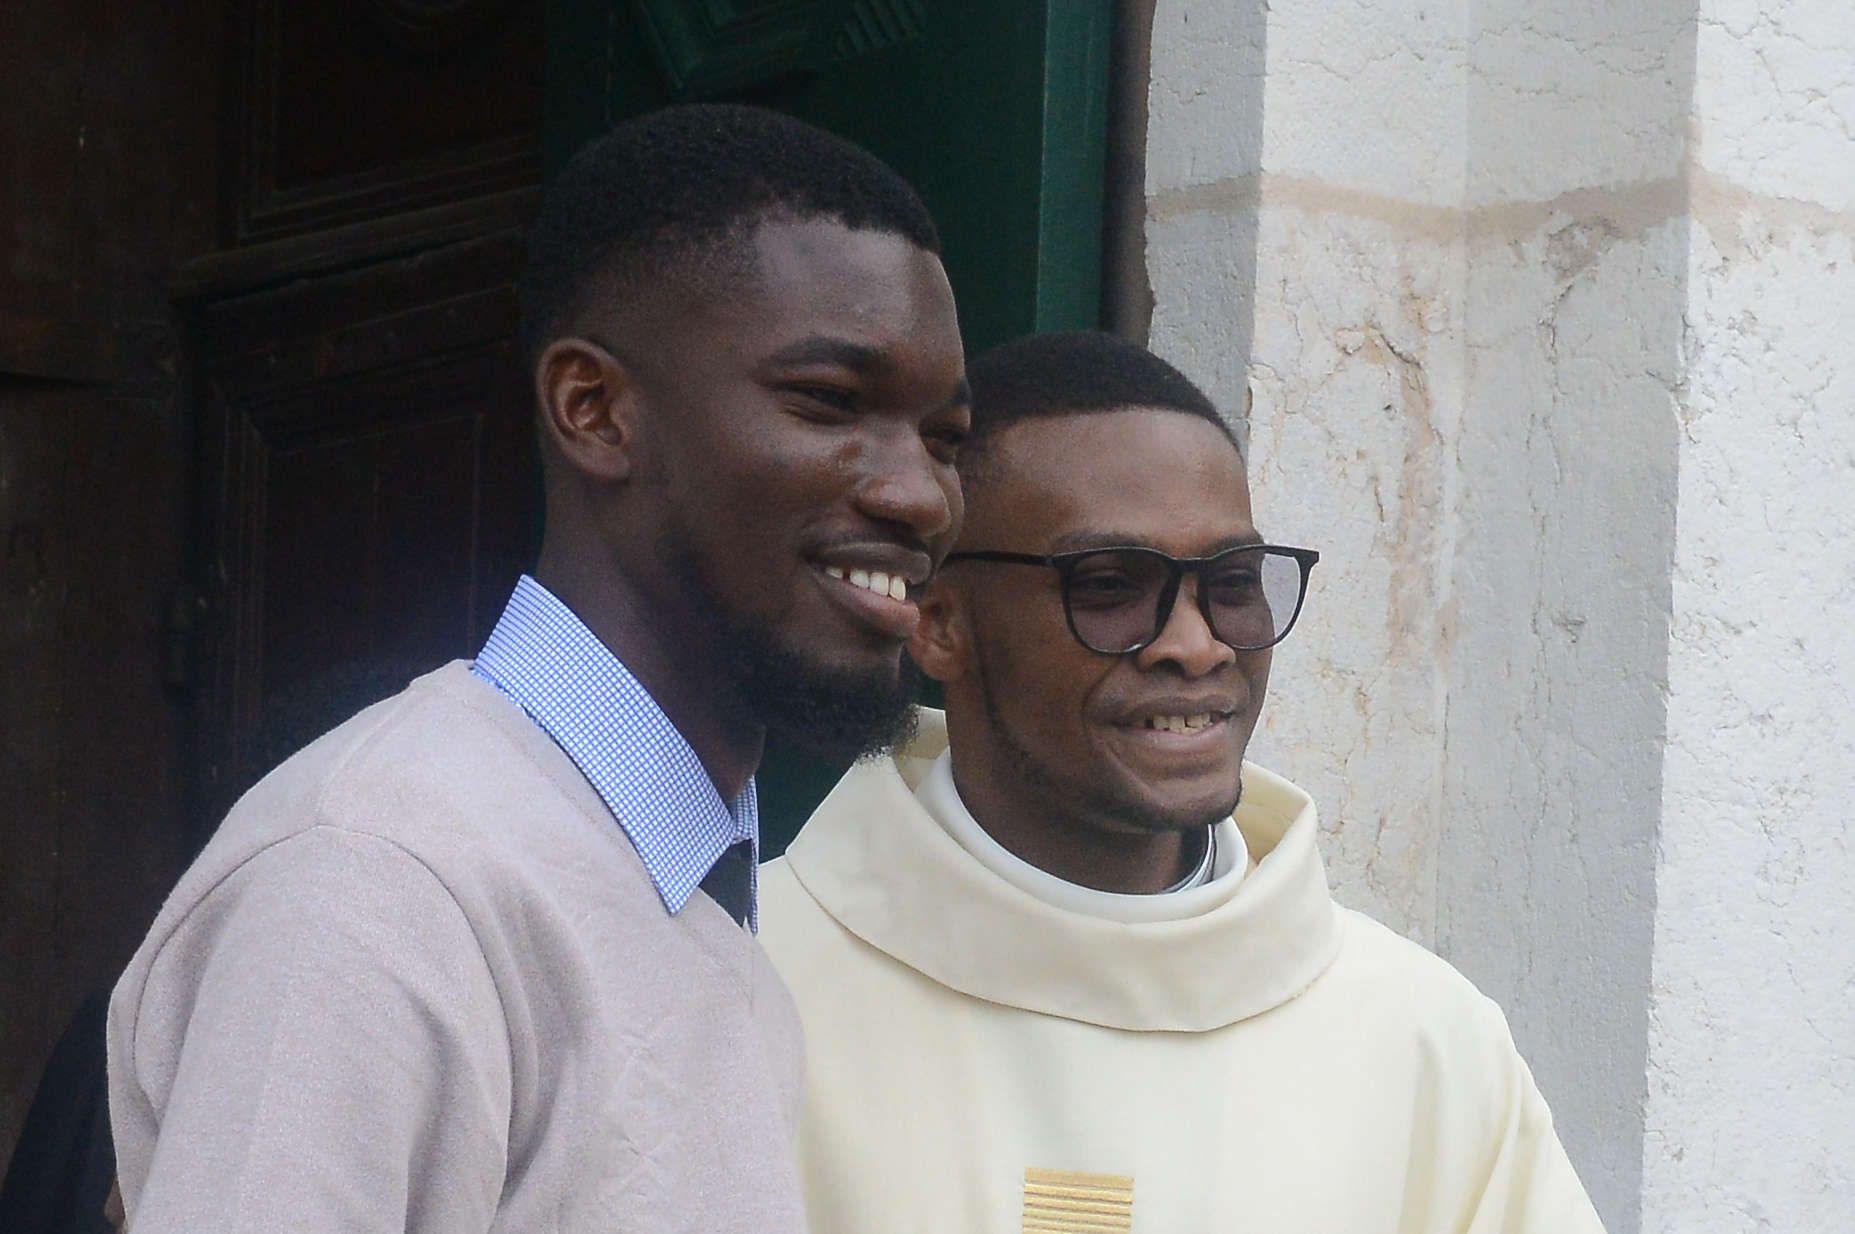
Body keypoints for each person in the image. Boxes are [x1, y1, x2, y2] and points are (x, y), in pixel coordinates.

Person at [107, 104, 970, 1234]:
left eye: (946, 438)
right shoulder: (382, 874)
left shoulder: (688, 893)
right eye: (828, 403)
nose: (919, 493)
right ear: (593, 410)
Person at [758, 331, 1606, 1233]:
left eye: (1231, 582)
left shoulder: (1425, 1041)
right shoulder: (748, 983)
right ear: (938, 623)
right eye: (1111, 584)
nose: (1196, 645)